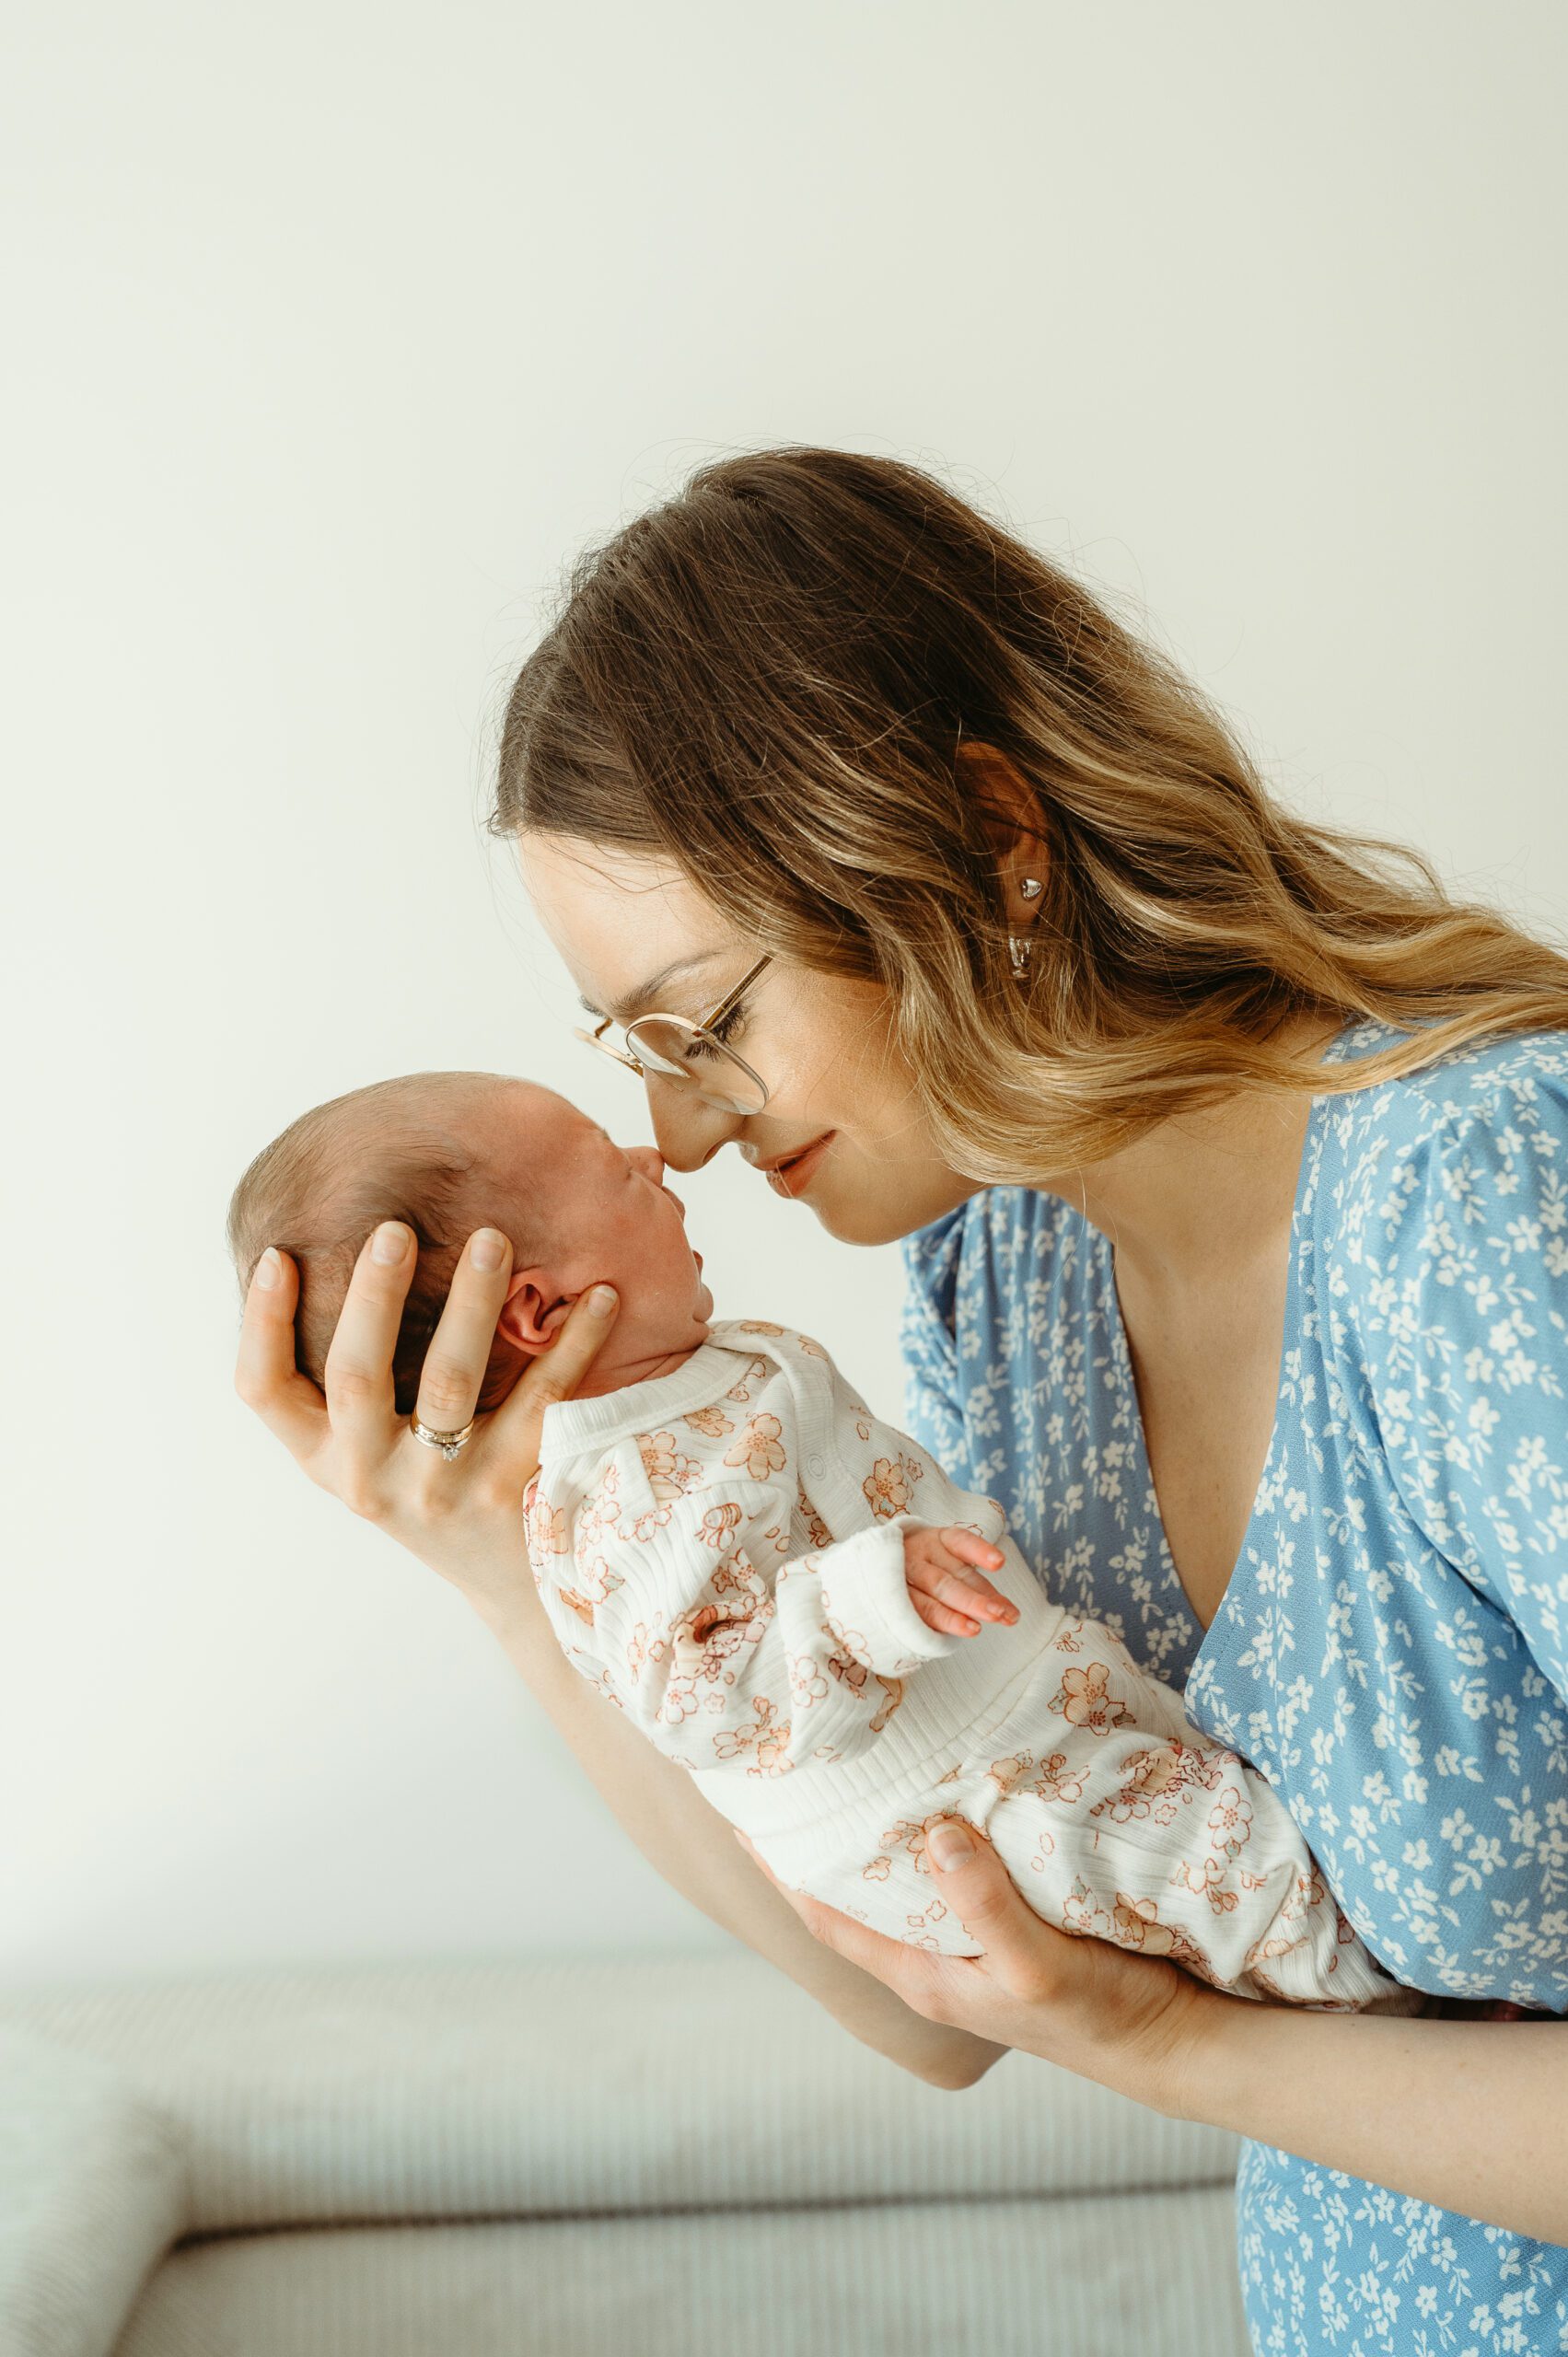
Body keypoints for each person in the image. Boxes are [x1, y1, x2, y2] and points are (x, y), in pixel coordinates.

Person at [237, 448, 1568, 2350]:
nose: (679, 1131)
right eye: (635, 1048)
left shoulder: (1486, 1213)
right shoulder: (1005, 1278)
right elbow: (923, 1992)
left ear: (992, 836)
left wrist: (1179, 2050)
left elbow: (1111, 2021)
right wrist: (512, 1574)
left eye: (704, 1024)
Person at [228, 1071, 1414, 2008]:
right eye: (607, 1165)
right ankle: (1409, 1997)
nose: (659, 1152)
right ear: (535, 1308)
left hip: (1020, 1715)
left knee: (1205, 1822)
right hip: (954, 1800)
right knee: (1241, 1882)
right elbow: (707, 1695)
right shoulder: (615, 1493)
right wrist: (864, 1599)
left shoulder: (703, 1382)